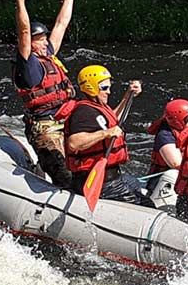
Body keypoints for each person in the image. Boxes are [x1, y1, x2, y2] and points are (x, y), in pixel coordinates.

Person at [12, 0, 77, 185]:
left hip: (66, 121)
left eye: (43, 38)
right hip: (45, 130)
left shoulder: (47, 54)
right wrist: (20, 0)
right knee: (65, 177)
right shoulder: (27, 64)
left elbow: (61, 24)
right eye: (38, 39)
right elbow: (23, 31)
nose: (43, 42)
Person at [62, 63, 152, 206]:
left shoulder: (97, 107)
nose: (109, 92)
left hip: (112, 176)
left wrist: (129, 96)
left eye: (109, 87)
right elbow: (74, 143)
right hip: (98, 181)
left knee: (135, 185)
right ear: (91, 87)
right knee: (146, 206)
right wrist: (106, 133)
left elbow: (112, 121)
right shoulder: (83, 112)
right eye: (104, 88)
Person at [146, 98, 188, 206]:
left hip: (185, 180)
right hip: (160, 182)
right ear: (178, 121)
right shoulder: (164, 135)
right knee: (173, 173)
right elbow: (176, 163)